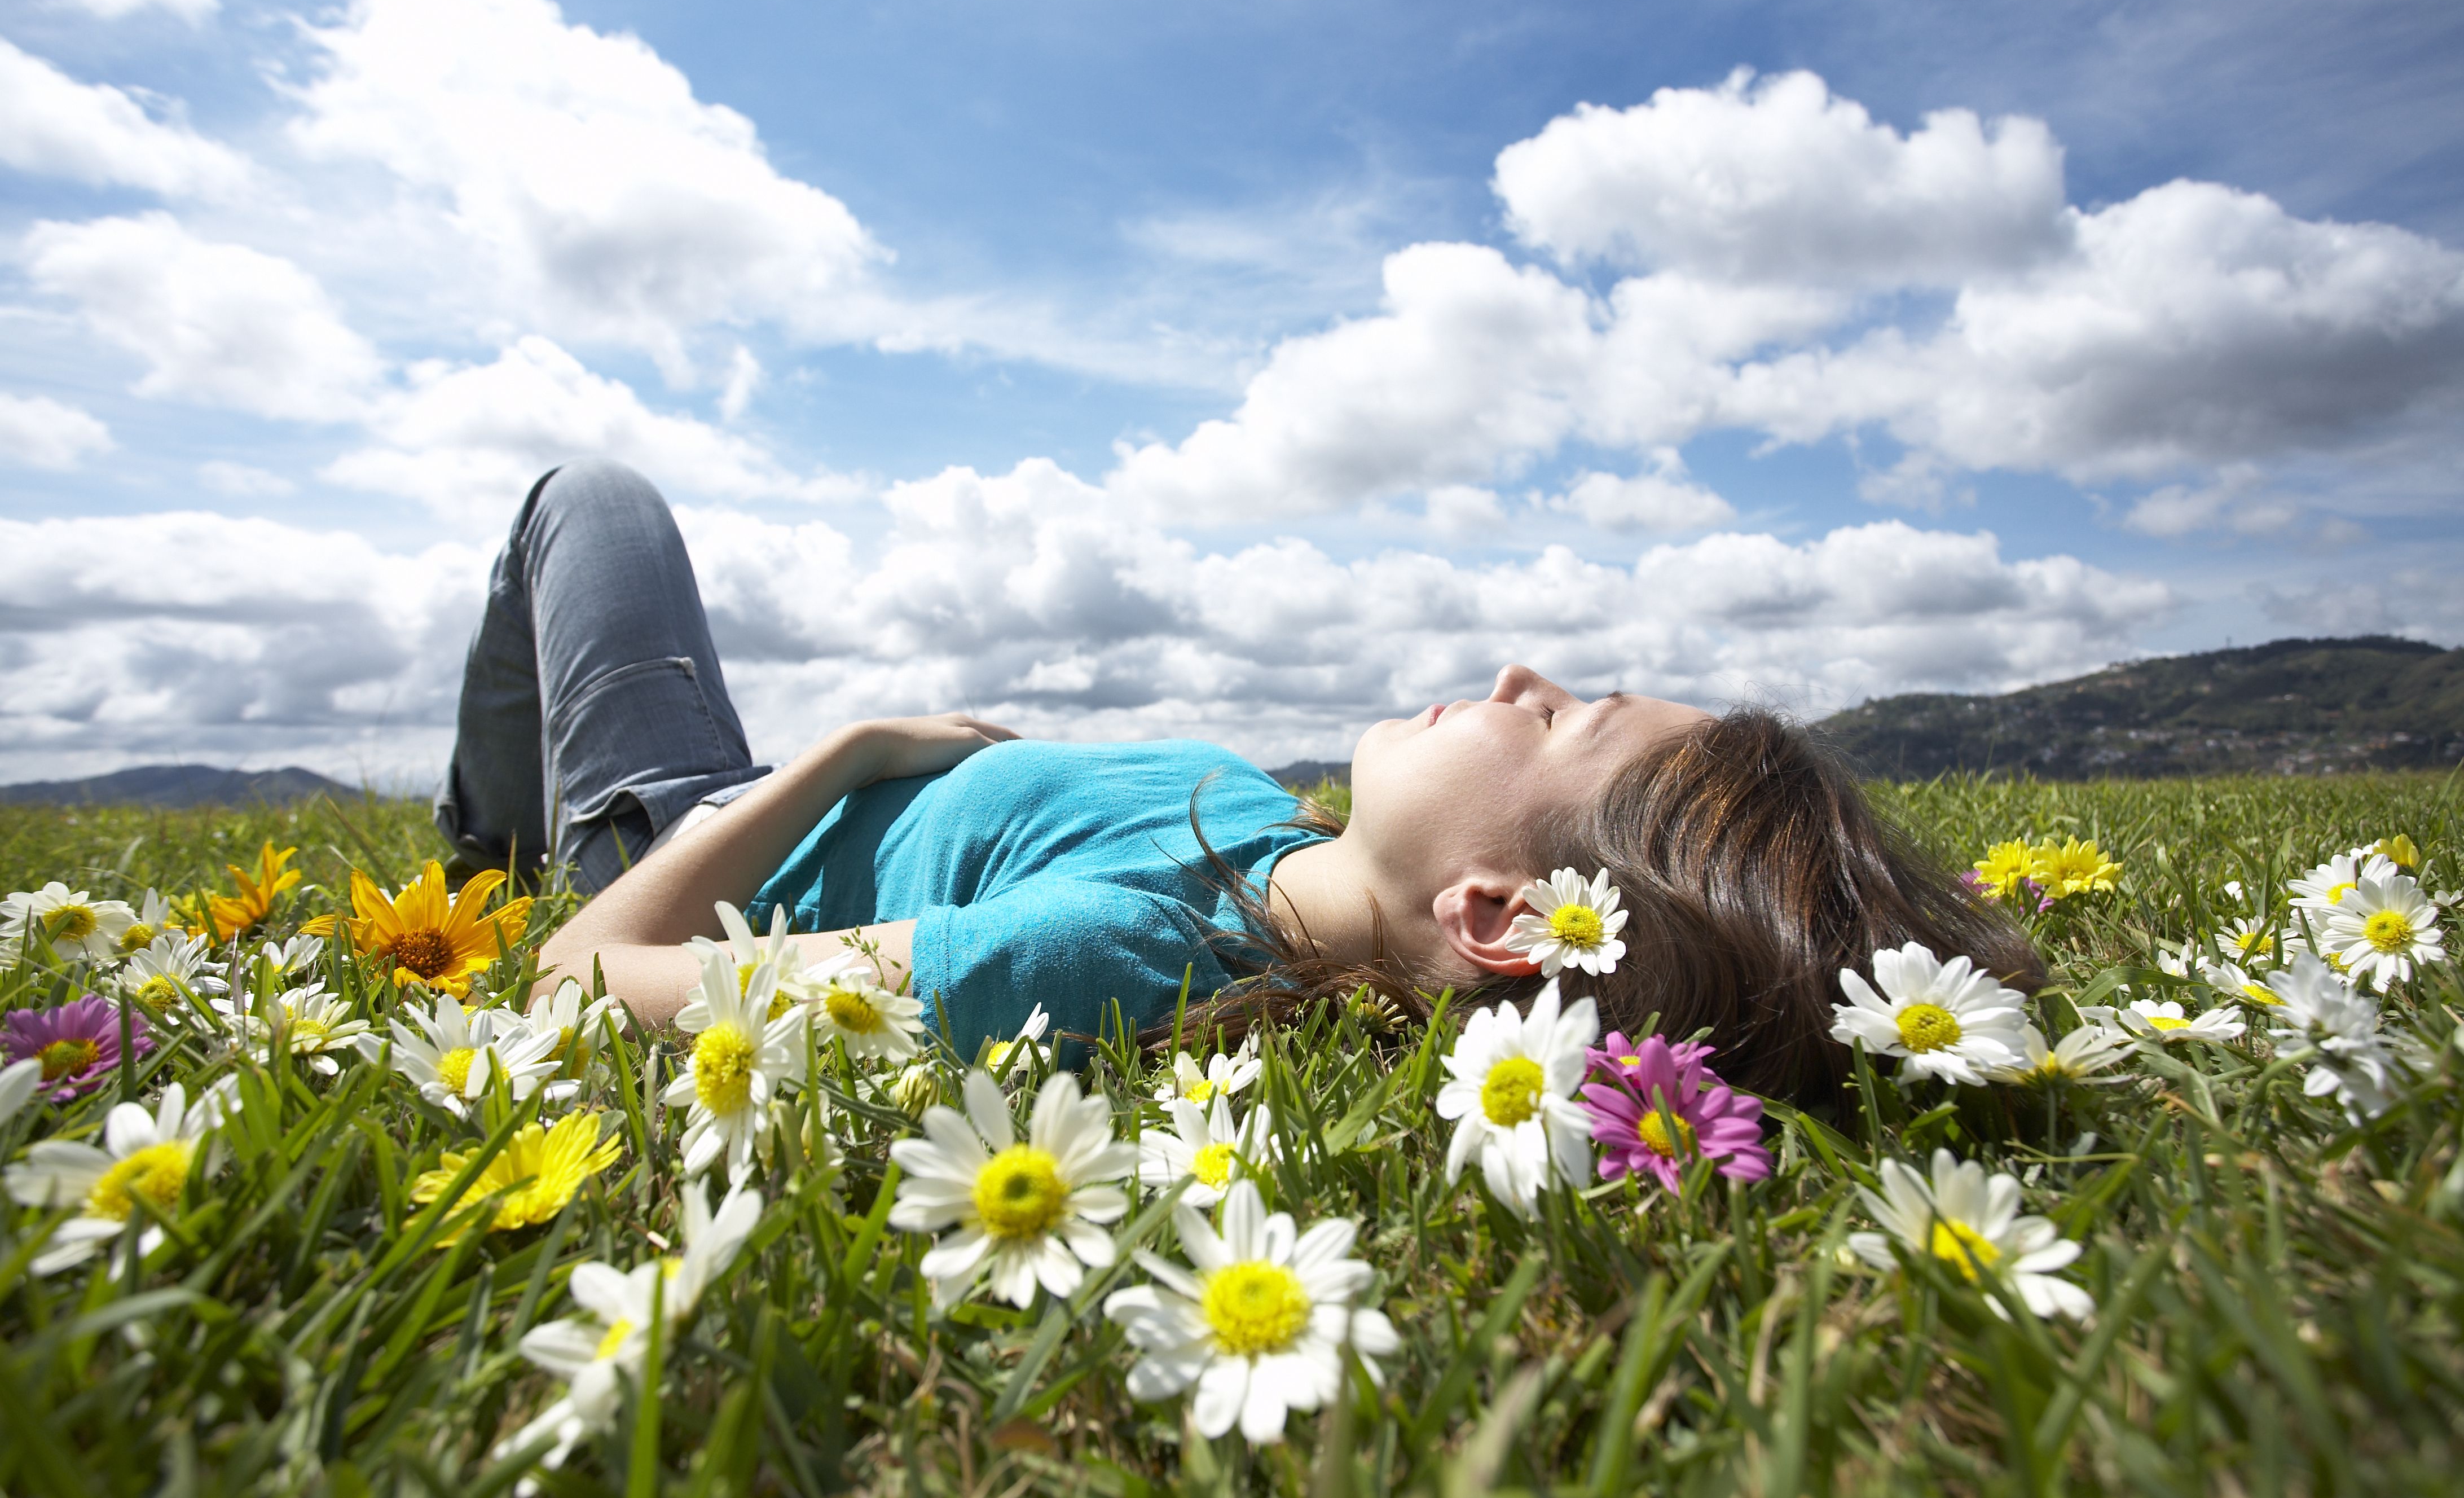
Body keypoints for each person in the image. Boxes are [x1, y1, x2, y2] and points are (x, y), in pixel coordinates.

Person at [441, 459, 2039, 1110]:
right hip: (771, 800)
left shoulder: (1108, 955)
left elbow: (584, 981)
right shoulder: (1265, 839)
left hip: (678, 836)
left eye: (1561, 721)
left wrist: (850, 751)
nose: (1515, 678)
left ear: (1495, 915)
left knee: (592, 504)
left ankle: (492, 843)